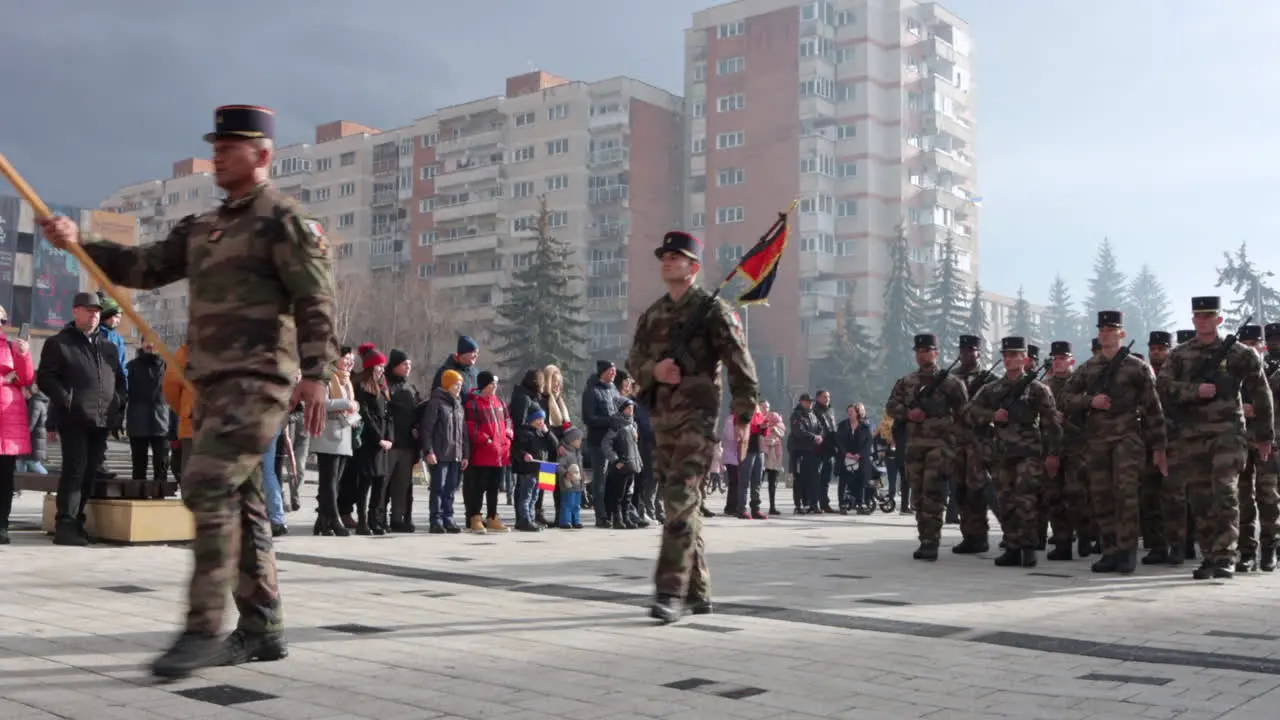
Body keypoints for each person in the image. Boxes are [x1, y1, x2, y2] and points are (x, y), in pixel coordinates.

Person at [36, 104, 338, 678]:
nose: (218, 155)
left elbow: (316, 300)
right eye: (215, 146)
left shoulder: (286, 221)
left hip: (259, 382)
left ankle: (201, 627)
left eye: (231, 146)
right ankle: (263, 627)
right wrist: (78, 243)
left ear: (264, 155)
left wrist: (317, 373)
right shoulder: (202, 228)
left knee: (205, 483)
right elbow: (143, 266)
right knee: (243, 502)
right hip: (212, 386)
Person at [626, 230, 758, 623]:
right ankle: (698, 591)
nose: (667, 261)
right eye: (663, 255)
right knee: (681, 505)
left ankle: (669, 592)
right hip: (662, 420)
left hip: (697, 421)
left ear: (693, 267)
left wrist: (744, 417)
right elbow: (634, 361)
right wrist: (656, 371)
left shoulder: (714, 310)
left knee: (681, 500)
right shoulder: (653, 314)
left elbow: (741, 365)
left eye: (676, 256)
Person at [1157, 297, 1273, 579]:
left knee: (1225, 493)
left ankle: (1225, 556)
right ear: (1193, 320)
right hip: (1192, 436)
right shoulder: (1180, 354)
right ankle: (1209, 555)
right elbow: (1162, 385)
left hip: (1228, 434)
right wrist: (1194, 391)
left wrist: (1264, 435)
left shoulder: (1240, 353)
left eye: (1209, 316)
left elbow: (1261, 391)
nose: (1203, 321)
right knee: (1199, 498)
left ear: (1219, 319)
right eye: (1198, 316)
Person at [36, 292, 126, 546]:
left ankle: (77, 522)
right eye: (88, 310)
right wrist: (68, 400)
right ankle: (66, 523)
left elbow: (119, 380)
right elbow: (46, 378)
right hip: (73, 418)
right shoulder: (59, 343)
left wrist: (118, 406)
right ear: (75, 311)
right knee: (75, 469)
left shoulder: (107, 346)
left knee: (89, 472)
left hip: (101, 419)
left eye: (97, 311)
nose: (94, 314)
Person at [884, 333, 969, 561]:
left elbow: (964, 414)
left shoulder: (951, 383)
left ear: (936, 353)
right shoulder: (907, 381)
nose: (923, 355)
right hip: (914, 446)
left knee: (933, 492)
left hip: (939, 447)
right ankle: (924, 539)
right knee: (918, 496)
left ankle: (931, 542)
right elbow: (891, 406)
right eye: (919, 351)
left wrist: (956, 443)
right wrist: (908, 412)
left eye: (928, 350)